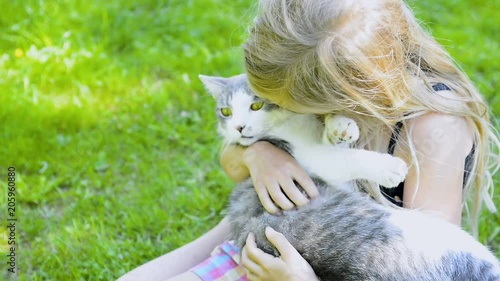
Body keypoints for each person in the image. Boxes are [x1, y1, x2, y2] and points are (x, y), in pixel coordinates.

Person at [118, 0, 499, 280]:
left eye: (282, 106)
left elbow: (431, 268)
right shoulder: (303, 63)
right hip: (273, 226)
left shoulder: (433, 130)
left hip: (336, 261)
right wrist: (259, 155)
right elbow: (231, 160)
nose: (273, 114)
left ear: (341, 94)